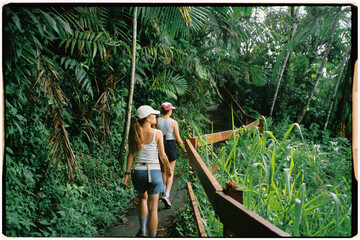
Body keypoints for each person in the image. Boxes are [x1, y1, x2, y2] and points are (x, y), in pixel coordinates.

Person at [124, 105, 172, 237]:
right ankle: (152, 237)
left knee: (142, 199)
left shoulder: (134, 132)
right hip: (154, 172)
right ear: (147, 118)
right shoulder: (157, 133)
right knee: (153, 208)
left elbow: (131, 155)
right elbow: (162, 155)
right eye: (153, 115)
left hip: (138, 172)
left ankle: (143, 229)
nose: (156, 116)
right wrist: (168, 168)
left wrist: (127, 174)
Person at [156, 102, 187, 209]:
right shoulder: (173, 122)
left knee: (163, 171)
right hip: (170, 145)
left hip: (160, 146)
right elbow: (178, 139)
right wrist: (184, 149)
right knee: (171, 171)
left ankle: (163, 191)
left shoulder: (156, 121)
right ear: (169, 110)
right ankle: (167, 195)